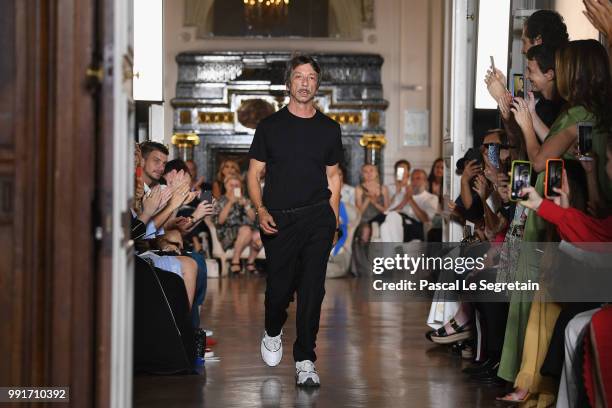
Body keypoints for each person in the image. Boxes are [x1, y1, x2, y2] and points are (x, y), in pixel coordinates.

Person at [246, 54, 343, 387]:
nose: (305, 82)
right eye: (299, 76)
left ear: (318, 83)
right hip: (279, 220)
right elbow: (254, 173)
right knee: (278, 291)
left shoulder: (330, 129)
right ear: (288, 83)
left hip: (317, 217)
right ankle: (273, 329)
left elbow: (334, 178)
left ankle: (305, 359)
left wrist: (333, 221)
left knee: (313, 290)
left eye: (312, 77)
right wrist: (260, 210)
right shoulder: (270, 126)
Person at [212, 174, 261, 274]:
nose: (234, 188)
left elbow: (253, 219)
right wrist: (230, 202)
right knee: (246, 230)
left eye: (237, 185)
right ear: (226, 186)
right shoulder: (221, 200)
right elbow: (220, 221)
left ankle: (250, 262)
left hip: (247, 231)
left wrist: (247, 206)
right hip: (228, 232)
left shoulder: (245, 199)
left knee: (259, 235)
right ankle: (235, 260)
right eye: (231, 185)